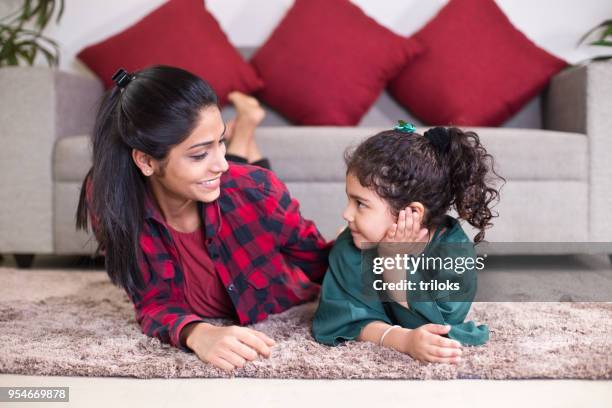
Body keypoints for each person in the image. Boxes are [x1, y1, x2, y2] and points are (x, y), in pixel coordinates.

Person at [76, 65, 331, 371]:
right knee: (228, 177)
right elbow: (152, 301)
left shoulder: (257, 189)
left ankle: (244, 128)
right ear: (144, 160)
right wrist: (198, 333)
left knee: (238, 181)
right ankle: (244, 129)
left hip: (246, 199)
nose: (219, 164)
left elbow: (321, 262)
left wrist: (373, 246)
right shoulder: (110, 197)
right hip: (214, 190)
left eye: (220, 140)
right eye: (199, 154)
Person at [312, 122, 504, 364]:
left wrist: (393, 259)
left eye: (360, 204)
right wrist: (402, 339)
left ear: (411, 212)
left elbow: (437, 328)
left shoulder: (453, 253)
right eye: (349, 201)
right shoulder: (350, 244)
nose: (346, 213)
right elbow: (340, 318)